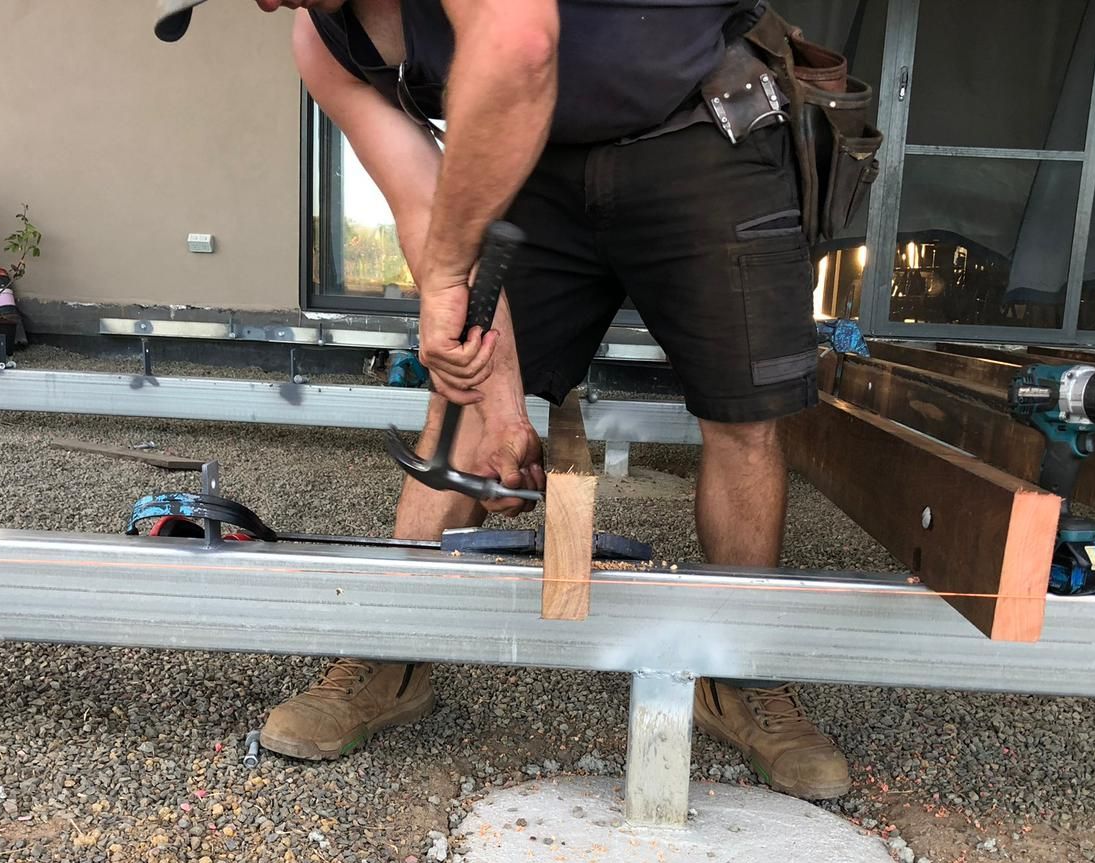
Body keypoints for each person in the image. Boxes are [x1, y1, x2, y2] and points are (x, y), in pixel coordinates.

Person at [156, 0, 850, 800]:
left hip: (701, 124)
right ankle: (390, 651)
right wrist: (501, 409)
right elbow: (428, 210)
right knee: (455, 403)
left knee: (744, 416)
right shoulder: (324, 43)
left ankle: (742, 673)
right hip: (531, 148)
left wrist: (457, 282)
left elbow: (519, 40)